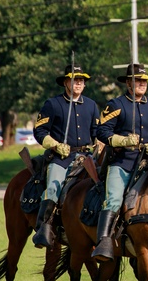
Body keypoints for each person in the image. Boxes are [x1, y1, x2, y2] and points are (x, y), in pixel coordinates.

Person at [92, 63, 148, 262]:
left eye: (144, 81)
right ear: (128, 83)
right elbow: (101, 131)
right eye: (138, 81)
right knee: (114, 199)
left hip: (147, 165)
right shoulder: (116, 105)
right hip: (122, 163)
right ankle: (104, 242)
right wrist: (122, 140)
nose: (142, 84)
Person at [32, 63, 101, 249]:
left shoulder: (92, 105)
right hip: (61, 157)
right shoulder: (52, 104)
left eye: (81, 80)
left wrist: (101, 145)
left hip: (87, 158)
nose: (78, 83)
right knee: (53, 188)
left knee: (102, 186)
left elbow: (98, 132)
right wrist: (54, 145)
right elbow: (39, 131)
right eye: (74, 80)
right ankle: (44, 228)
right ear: (65, 82)